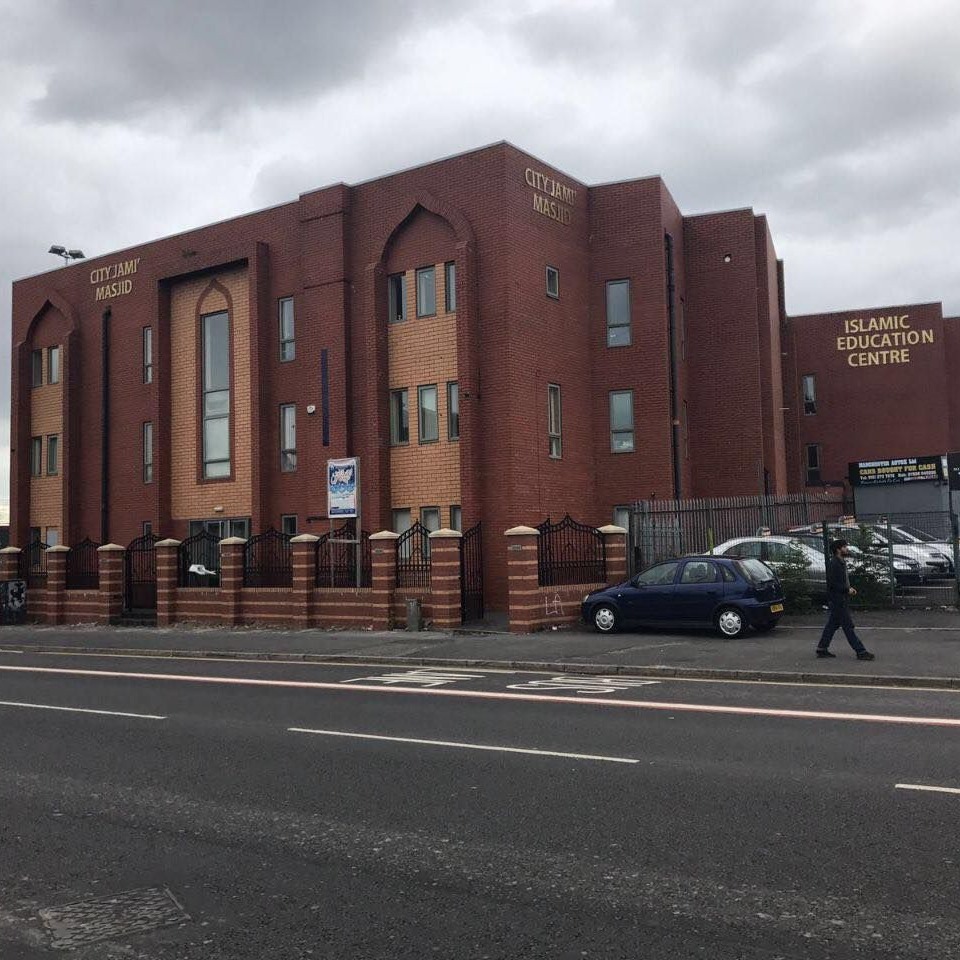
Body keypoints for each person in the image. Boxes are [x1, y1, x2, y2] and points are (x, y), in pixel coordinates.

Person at [817, 539, 875, 660]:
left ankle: (822, 648)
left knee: (832, 625)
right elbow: (833, 584)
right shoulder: (835, 563)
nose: (846, 549)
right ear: (838, 550)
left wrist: (848, 588)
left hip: (839, 598)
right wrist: (846, 589)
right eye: (844, 547)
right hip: (838, 600)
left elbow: (840, 582)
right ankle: (861, 651)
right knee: (848, 626)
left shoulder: (840, 562)